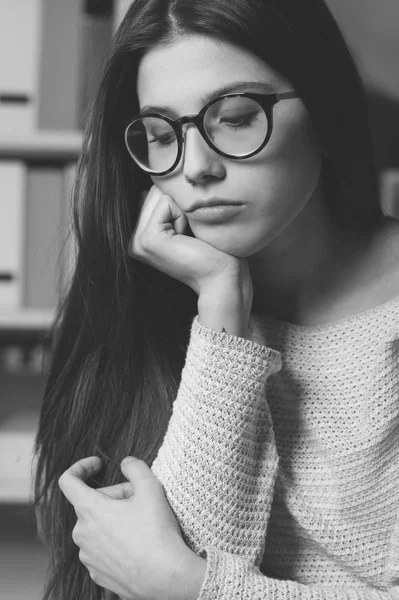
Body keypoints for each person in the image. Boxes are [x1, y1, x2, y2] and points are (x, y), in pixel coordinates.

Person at [34, 0, 399, 599]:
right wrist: (223, 318)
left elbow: (163, 577)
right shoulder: (159, 306)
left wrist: (188, 586)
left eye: (234, 117)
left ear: (328, 117)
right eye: (160, 135)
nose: (195, 167)